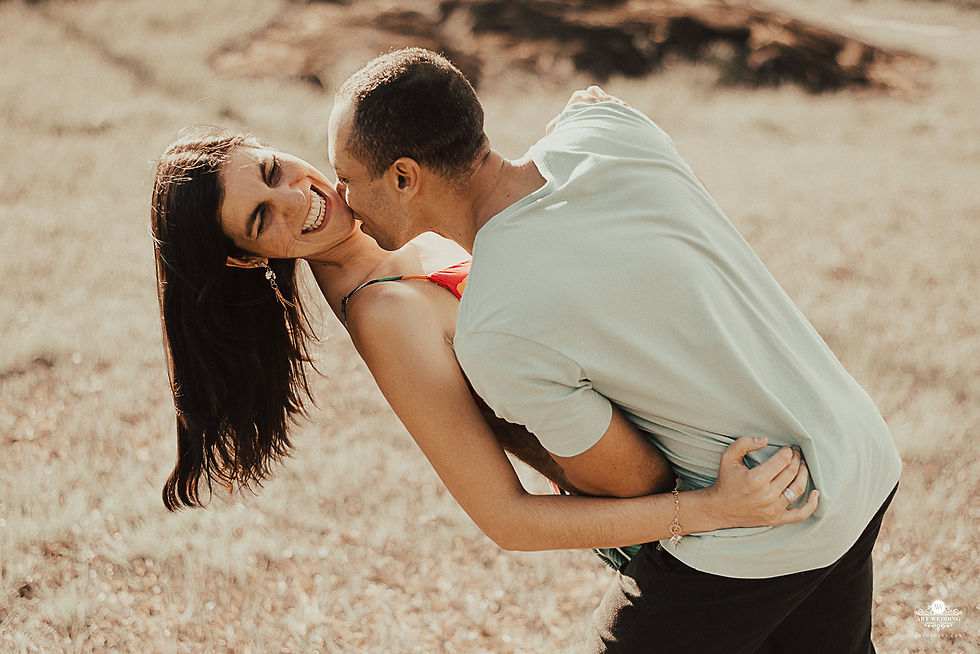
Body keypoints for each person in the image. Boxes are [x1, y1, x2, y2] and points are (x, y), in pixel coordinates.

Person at [327, 48, 903, 653]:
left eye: (346, 177)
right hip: (859, 456)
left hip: (767, 519)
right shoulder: (607, 130)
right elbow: (592, 105)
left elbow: (634, 481)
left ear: (403, 177)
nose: (343, 196)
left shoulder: (494, 327)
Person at [150, 126, 818, 579]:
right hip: (692, 520)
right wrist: (712, 510)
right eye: (262, 217)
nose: (298, 198)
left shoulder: (408, 218)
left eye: (273, 170)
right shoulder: (384, 314)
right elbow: (507, 519)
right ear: (247, 258)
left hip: (735, 456)